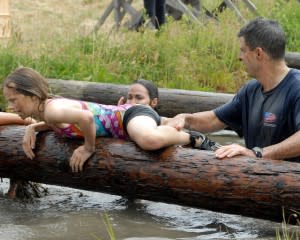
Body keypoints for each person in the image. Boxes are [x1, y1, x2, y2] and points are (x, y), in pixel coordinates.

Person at [2, 67, 220, 173]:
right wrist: (33, 128)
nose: (11, 106)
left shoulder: (52, 110)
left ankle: (193, 138)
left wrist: (88, 148)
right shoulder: (46, 112)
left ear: (32, 95)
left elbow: (86, 117)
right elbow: (63, 122)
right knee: (146, 136)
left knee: (149, 141)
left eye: (14, 100)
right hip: (124, 120)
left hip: (129, 116)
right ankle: (167, 124)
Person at [166, 17, 300, 162]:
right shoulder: (251, 90)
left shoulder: (296, 87)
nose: (239, 57)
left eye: (243, 51)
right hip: (257, 179)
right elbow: (214, 119)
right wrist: (185, 119)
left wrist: (258, 154)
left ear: (259, 53)